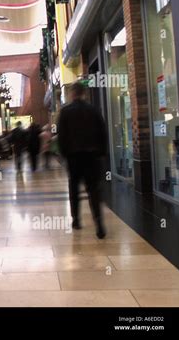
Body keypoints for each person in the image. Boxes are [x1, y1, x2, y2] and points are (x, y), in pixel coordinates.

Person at [58, 81, 107, 239]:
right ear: (83, 93)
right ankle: (99, 223)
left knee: (74, 188)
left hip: (74, 158)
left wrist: (64, 155)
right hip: (92, 157)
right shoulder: (93, 110)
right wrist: (101, 153)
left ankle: (76, 220)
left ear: (72, 94)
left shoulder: (65, 112)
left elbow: (62, 136)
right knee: (94, 190)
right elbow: (102, 132)